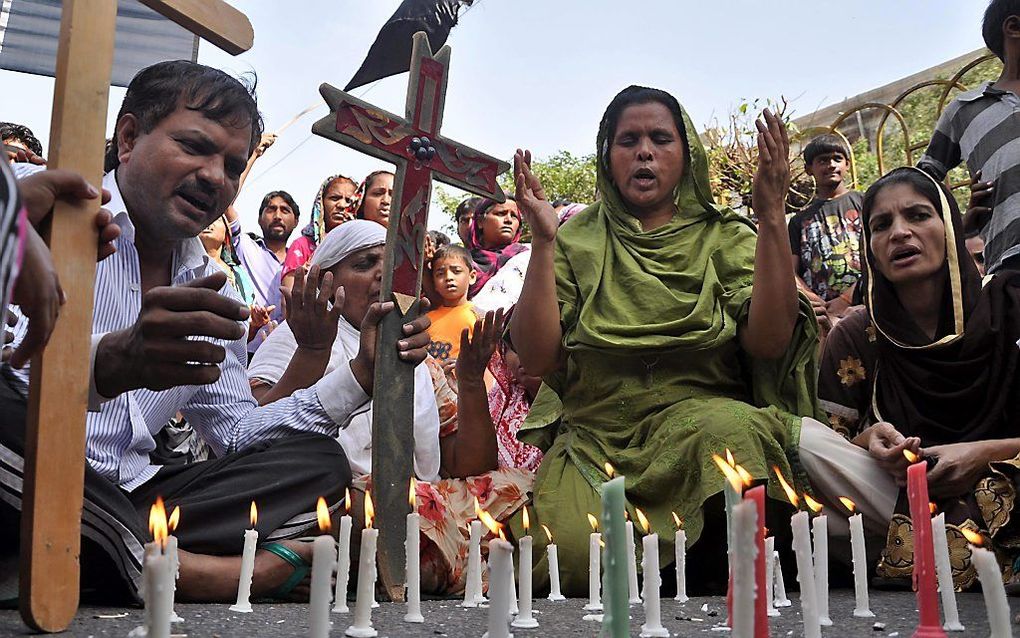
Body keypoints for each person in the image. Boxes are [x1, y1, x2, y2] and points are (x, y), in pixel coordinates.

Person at [0, 60, 432, 605]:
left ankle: (69, 554)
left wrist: (362, 375)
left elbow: (235, 434)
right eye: (194, 146)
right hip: (23, 468)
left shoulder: (215, 294)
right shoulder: (37, 206)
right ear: (129, 137)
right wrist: (107, 362)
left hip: (130, 497)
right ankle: (189, 572)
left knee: (317, 464)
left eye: (232, 164)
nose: (214, 176)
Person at [509, 86, 820, 595]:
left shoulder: (726, 235)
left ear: (686, 153)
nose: (644, 151)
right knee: (565, 555)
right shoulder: (573, 239)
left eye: (660, 138)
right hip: (596, 439)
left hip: (702, 425)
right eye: (628, 140)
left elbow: (769, 343)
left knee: (730, 436)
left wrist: (770, 217)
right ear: (607, 157)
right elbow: (540, 357)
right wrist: (542, 243)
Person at [246, 222, 533, 595]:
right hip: (339, 497)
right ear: (327, 280)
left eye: (393, 263)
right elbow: (253, 439)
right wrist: (312, 354)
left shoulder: (417, 354)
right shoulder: (296, 340)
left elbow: (469, 465)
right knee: (366, 507)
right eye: (365, 263)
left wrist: (471, 379)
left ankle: (413, 560)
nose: (384, 273)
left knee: (516, 486)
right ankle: (432, 559)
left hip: (416, 498)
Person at [803, 166, 1020, 590]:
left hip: (1007, 480)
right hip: (905, 497)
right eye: (881, 225)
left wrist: (981, 453)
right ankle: (958, 555)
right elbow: (831, 446)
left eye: (918, 215)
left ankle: (928, 556)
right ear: (870, 248)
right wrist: (871, 442)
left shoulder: (1011, 305)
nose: (899, 233)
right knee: (804, 442)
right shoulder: (858, 333)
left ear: (950, 227)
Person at [917, 0, 1020, 273]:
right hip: (1013, 266)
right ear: (1014, 27)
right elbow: (920, 183)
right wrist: (959, 225)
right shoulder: (964, 111)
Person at [788, 134, 863, 322]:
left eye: (837, 159)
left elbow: (880, 256)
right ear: (808, 169)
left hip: (868, 301)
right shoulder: (799, 221)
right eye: (822, 160)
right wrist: (813, 300)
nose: (831, 165)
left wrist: (847, 298)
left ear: (847, 164)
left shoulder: (866, 203)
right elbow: (790, 271)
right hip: (822, 314)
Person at [227, 189, 299, 322]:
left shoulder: (301, 260)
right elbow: (226, 202)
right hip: (249, 341)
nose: (277, 216)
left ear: (296, 221)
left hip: (290, 342)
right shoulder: (244, 246)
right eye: (271, 209)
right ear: (259, 219)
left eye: (285, 210)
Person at [280, 174, 358, 293]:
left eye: (349, 201)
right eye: (334, 198)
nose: (342, 205)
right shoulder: (302, 246)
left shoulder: (360, 249)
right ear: (321, 203)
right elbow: (288, 299)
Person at [467, 196, 528, 298]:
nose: (508, 220)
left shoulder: (527, 258)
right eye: (501, 213)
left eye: (514, 216)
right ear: (480, 222)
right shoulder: (463, 261)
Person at [426, 244, 478, 363]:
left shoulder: (479, 318)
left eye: (456, 271)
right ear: (434, 283)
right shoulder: (426, 320)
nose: (448, 277)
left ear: (472, 277)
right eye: (440, 274)